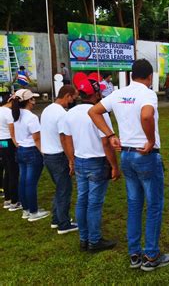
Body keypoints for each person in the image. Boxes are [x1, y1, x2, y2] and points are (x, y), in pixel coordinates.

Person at [89, 59, 169, 268]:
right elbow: (146, 115)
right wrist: (151, 140)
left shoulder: (118, 94)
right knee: (154, 206)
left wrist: (110, 134)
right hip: (146, 154)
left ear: (131, 75)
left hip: (126, 155)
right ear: (150, 76)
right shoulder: (147, 94)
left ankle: (135, 254)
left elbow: (93, 111)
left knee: (134, 205)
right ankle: (151, 256)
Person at [63, 75, 120, 253]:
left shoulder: (70, 113)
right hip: (97, 161)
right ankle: (94, 240)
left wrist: (72, 160)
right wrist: (114, 166)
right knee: (94, 203)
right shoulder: (99, 113)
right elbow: (106, 143)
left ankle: (84, 238)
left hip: (80, 160)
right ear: (96, 94)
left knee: (82, 201)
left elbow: (67, 139)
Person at [41, 85, 79, 234]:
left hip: (48, 155)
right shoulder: (62, 114)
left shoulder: (47, 109)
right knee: (65, 189)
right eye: (73, 98)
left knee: (60, 188)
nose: (73, 101)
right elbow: (64, 139)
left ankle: (56, 219)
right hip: (58, 155)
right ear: (67, 96)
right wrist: (71, 159)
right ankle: (64, 224)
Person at [11, 89, 50, 221]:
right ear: (28, 101)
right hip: (32, 151)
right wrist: (43, 153)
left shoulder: (16, 115)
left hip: (21, 150)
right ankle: (33, 212)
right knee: (30, 183)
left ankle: (26, 210)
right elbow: (37, 139)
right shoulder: (31, 117)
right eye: (32, 99)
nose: (34, 102)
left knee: (23, 181)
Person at [0, 93, 19, 211]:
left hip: (1, 142)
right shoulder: (8, 113)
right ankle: (14, 200)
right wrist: (16, 144)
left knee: (7, 169)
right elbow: (12, 133)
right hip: (8, 141)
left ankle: (7, 199)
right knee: (13, 171)